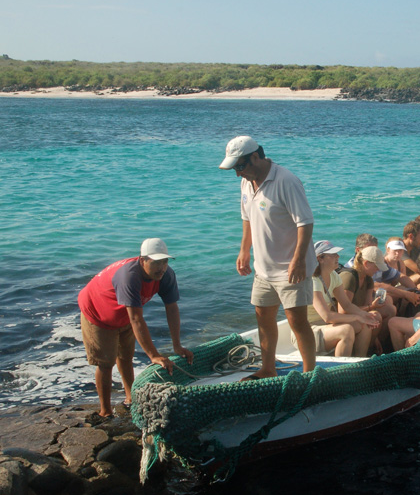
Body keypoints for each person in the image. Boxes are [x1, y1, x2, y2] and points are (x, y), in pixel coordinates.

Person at [220, 135, 317, 379]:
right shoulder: (246, 182)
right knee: (263, 316)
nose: (237, 173)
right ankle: (267, 368)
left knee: (297, 321)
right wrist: (244, 250)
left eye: (240, 166)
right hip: (263, 267)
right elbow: (247, 218)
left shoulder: (286, 181)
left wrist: (298, 261)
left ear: (256, 157)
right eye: (234, 168)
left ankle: (309, 374)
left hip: (291, 266)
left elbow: (305, 223)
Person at [78, 238, 194, 419]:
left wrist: (177, 346)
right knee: (106, 363)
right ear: (142, 260)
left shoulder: (166, 275)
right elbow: (137, 319)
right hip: (97, 313)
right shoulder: (129, 277)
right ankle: (105, 411)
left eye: (164, 261)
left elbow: (172, 308)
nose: (161, 267)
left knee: (125, 357)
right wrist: (154, 356)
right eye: (155, 262)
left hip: (124, 315)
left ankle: (131, 398)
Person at [300, 240, 380, 357]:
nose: (337, 256)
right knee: (346, 330)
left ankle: (359, 363)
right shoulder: (313, 280)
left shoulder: (334, 276)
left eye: (336, 254)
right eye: (332, 254)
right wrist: (357, 316)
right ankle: (340, 371)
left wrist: (364, 315)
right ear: (320, 259)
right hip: (309, 331)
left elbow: (347, 305)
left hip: (325, 328)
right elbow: (327, 317)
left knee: (365, 325)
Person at [339, 246, 396, 353]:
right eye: (376, 266)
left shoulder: (368, 279)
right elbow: (343, 311)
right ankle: (362, 353)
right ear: (366, 264)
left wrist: (376, 337)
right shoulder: (350, 277)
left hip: (357, 312)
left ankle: (372, 347)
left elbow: (368, 307)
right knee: (374, 316)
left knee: (383, 312)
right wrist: (371, 307)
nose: (378, 270)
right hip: (342, 317)